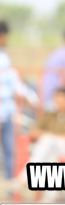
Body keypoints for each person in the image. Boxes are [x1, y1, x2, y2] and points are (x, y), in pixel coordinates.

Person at [0, 21, 26, 182]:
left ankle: (11, 186)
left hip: (7, 111)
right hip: (5, 108)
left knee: (10, 151)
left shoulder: (4, 57)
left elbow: (14, 83)